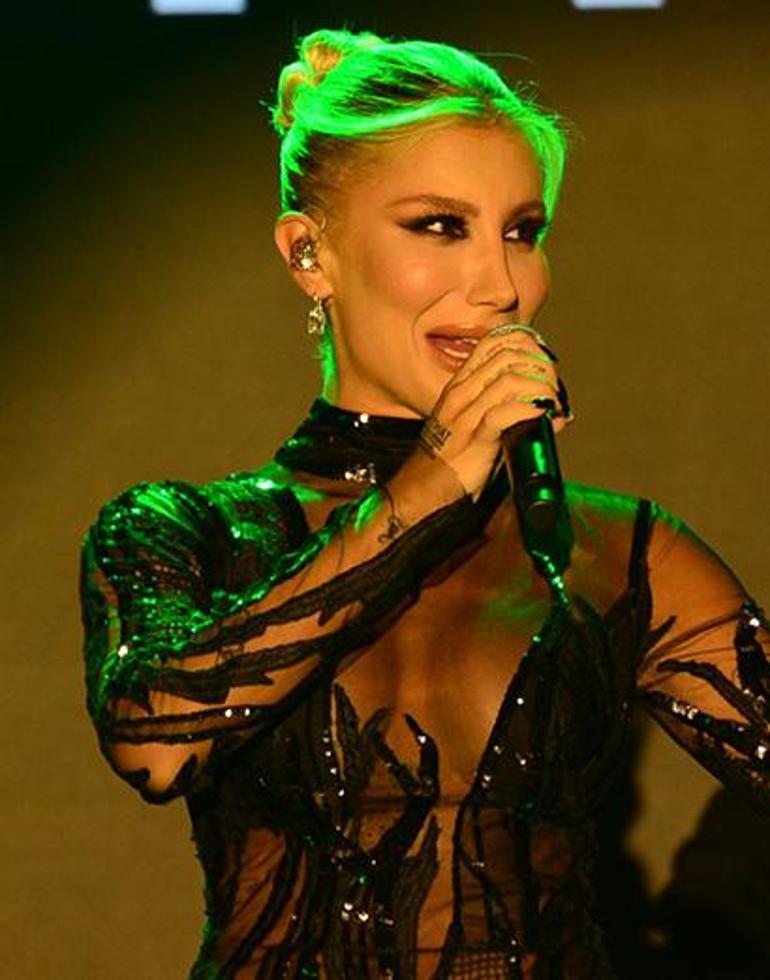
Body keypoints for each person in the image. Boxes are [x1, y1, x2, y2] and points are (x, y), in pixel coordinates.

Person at [79, 28, 770, 979]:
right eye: (441, 226)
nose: (501, 286)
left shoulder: (618, 549)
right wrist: (432, 482)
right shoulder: (182, 530)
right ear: (308, 251)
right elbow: (155, 746)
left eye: (522, 232)